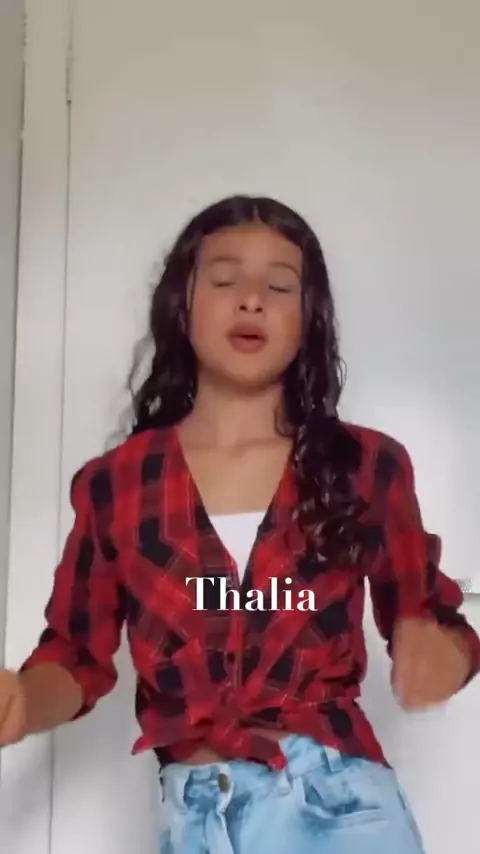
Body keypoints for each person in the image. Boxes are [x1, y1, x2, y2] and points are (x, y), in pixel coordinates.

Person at [0, 195, 478, 853]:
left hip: (340, 810)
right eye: (225, 281)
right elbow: (75, 657)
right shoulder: (116, 485)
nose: (251, 300)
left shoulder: (367, 465)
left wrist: (439, 655)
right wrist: (24, 703)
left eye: (279, 287)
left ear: (309, 318)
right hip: (195, 820)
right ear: (183, 304)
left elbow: (435, 624)